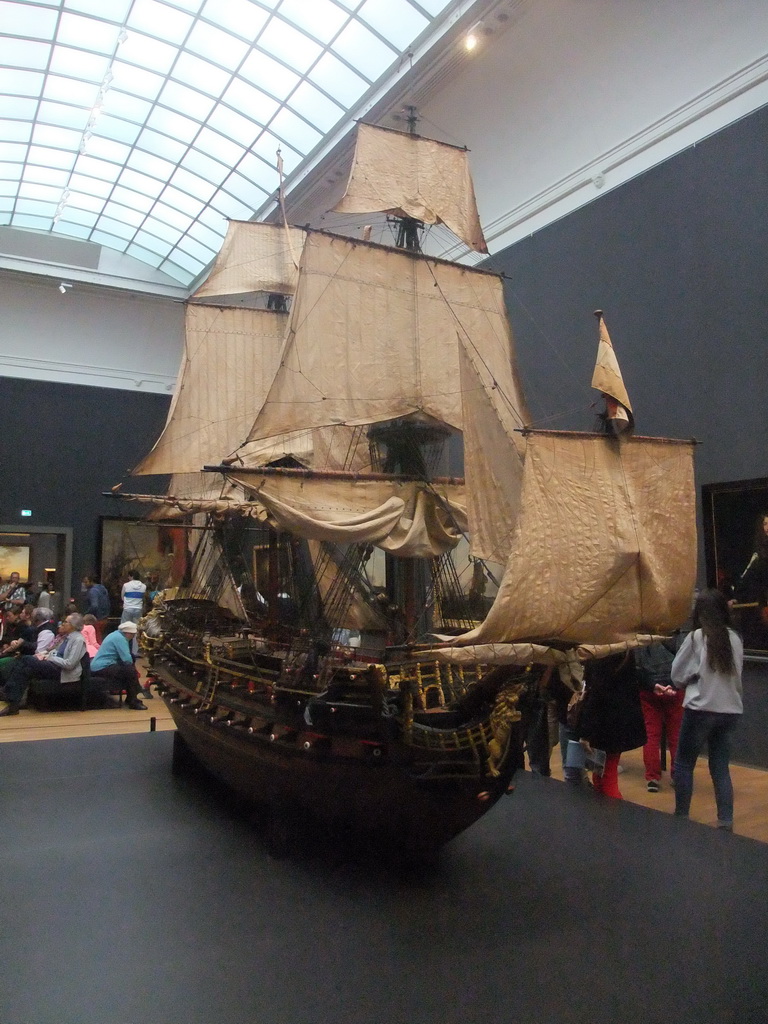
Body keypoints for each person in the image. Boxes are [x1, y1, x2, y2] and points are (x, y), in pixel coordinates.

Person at [670, 588, 744, 831]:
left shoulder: (697, 638)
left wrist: (692, 678)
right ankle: (726, 821)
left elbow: (677, 675)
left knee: (684, 764)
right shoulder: (735, 638)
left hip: (701, 709)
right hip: (730, 710)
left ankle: (681, 817)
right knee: (720, 767)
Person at [577, 651, 647, 798]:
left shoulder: (602, 654)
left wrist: (586, 733)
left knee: (606, 775)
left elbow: (596, 692)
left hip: (603, 723)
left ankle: (612, 818)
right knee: (601, 773)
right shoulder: (625, 649)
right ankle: (604, 816)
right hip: (618, 719)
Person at [0, 613, 87, 717]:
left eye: (66, 622)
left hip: (63, 671)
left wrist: (49, 658)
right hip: (54, 665)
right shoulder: (66, 637)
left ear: (73, 625)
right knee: (26, 668)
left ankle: (6, 691)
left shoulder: (78, 640)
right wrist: (45, 655)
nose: (63, 624)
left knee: (26, 659)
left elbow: (69, 664)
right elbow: (54, 652)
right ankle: (13, 705)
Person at [635, 638, 685, 792]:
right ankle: (678, 776)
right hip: (675, 688)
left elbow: (636, 668)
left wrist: (650, 684)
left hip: (649, 689)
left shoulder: (639, 637)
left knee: (650, 734)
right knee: (676, 735)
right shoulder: (677, 634)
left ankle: (652, 777)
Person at [90, 621, 146, 710]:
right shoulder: (120, 639)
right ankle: (133, 700)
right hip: (102, 666)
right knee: (130, 671)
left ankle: (132, 697)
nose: (133, 637)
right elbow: (127, 658)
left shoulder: (114, 635)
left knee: (128, 671)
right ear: (128, 633)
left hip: (98, 666)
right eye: (132, 635)